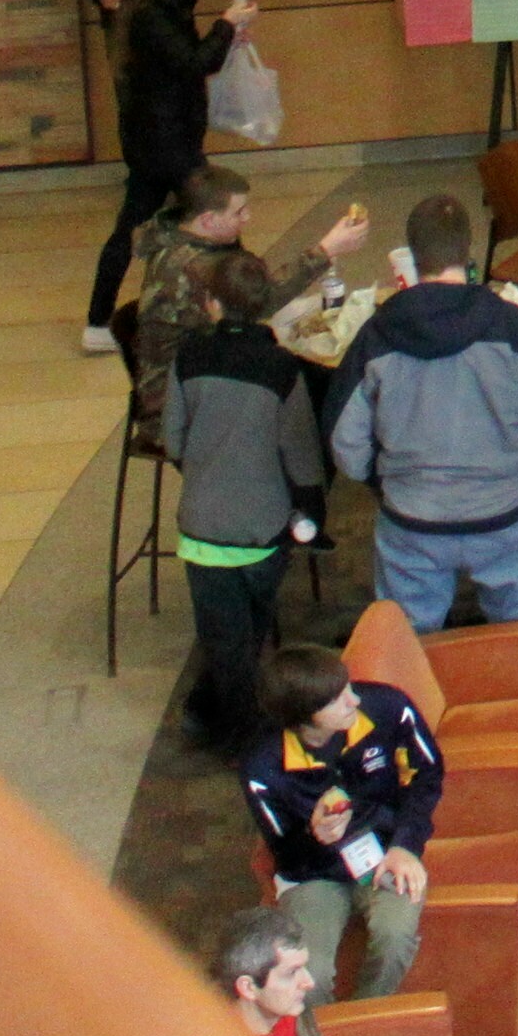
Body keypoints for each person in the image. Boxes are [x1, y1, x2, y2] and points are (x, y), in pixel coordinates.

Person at [330, 197, 518, 627]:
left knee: (410, 645)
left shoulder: (375, 337)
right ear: (468, 251)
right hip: (510, 515)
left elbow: (346, 445)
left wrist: (383, 479)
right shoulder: (515, 328)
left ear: (411, 255)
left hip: (413, 519)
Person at [168, 248, 324, 753]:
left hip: (203, 528)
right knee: (249, 631)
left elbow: (172, 439)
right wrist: (311, 511)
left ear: (211, 303)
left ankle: (225, 725)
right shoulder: (281, 368)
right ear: (264, 306)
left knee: (226, 639)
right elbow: (300, 452)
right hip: (263, 530)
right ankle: (234, 724)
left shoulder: (188, 355)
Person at [239, 642, 442, 1002]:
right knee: (309, 975)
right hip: (313, 875)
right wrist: (314, 835)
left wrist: (405, 846)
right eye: (336, 699)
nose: (354, 701)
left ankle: (365, 1020)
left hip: (384, 850)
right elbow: (284, 853)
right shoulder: (262, 767)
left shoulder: (388, 707)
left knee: (395, 936)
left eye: (347, 687)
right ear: (304, 718)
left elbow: (426, 775)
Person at [85, 0, 252, 353]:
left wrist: (227, 36)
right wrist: (227, 25)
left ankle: (98, 320)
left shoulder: (159, 9)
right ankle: (247, 300)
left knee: (131, 225)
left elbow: (190, 57)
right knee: (220, 212)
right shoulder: (150, 16)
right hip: (167, 143)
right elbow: (195, 62)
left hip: (155, 140)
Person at [131, 161, 372, 423]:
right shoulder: (193, 269)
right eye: (238, 212)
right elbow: (260, 298)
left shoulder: (187, 237)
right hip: (177, 407)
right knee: (308, 388)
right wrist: (326, 250)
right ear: (208, 220)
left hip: (198, 371)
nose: (248, 218)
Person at [209, 906, 316, 1036]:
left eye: (304, 967)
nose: (309, 982)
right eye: (291, 973)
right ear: (248, 987)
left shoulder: (290, 1017)